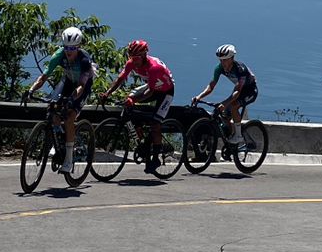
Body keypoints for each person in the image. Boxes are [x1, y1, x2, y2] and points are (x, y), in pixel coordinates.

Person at [25, 26, 96, 177]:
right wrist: (31, 90)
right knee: (52, 109)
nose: (69, 51)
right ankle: (58, 140)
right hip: (68, 81)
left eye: (72, 48)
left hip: (82, 86)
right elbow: (43, 77)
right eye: (66, 47)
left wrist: (72, 99)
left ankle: (69, 159)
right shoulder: (59, 55)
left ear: (78, 47)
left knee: (70, 117)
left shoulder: (84, 60)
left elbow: (82, 86)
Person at [101, 39, 175, 174]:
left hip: (165, 91)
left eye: (136, 58)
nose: (133, 61)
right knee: (129, 102)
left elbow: (150, 92)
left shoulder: (154, 67)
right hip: (152, 87)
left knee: (155, 123)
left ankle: (156, 157)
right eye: (131, 58)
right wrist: (107, 93)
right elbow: (120, 79)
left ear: (144, 56)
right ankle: (142, 141)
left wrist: (133, 101)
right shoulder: (131, 63)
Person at [190, 45, 259, 149]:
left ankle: (239, 136)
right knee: (225, 116)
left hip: (250, 91)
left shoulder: (240, 69)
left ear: (232, 58)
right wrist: (199, 97)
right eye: (221, 60)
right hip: (238, 89)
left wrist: (225, 103)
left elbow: (238, 91)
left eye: (225, 60)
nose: (223, 63)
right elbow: (211, 86)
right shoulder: (219, 68)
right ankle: (232, 141)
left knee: (234, 106)